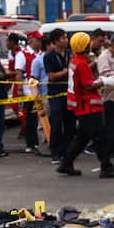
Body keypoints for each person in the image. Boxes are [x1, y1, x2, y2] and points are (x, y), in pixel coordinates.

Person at [55, 31, 114, 179]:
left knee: (82, 138)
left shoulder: (75, 61)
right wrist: (105, 81)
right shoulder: (81, 64)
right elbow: (88, 86)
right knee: (101, 138)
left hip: (83, 107)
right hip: (90, 107)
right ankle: (106, 167)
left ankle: (66, 163)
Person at [43, 28, 72, 164]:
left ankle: (67, 151)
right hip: (55, 93)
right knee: (56, 122)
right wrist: (66, 71)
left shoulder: (69, 53)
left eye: (66, 37)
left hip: (69, 92)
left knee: (69, 122)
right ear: (55, 41)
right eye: (63, 38)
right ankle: (55, 152)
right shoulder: (49, 56)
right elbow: (51, 76)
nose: (66, 40)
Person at [8, 32, 40, 153]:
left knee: (39, 118)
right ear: (32, 41)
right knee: (30, 118)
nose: (40, 42)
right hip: (29, 92)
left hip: (40, 91)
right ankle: (30, 143)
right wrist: (20, 89)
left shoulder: (40, 54)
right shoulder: (22, 54)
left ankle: (38, 141)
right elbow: (19, 73)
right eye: (38, 40)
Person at [98, 32, 114, 158]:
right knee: (111, 126)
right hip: (109, 97)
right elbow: (104, 76)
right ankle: (110, 150)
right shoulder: (104, 57)